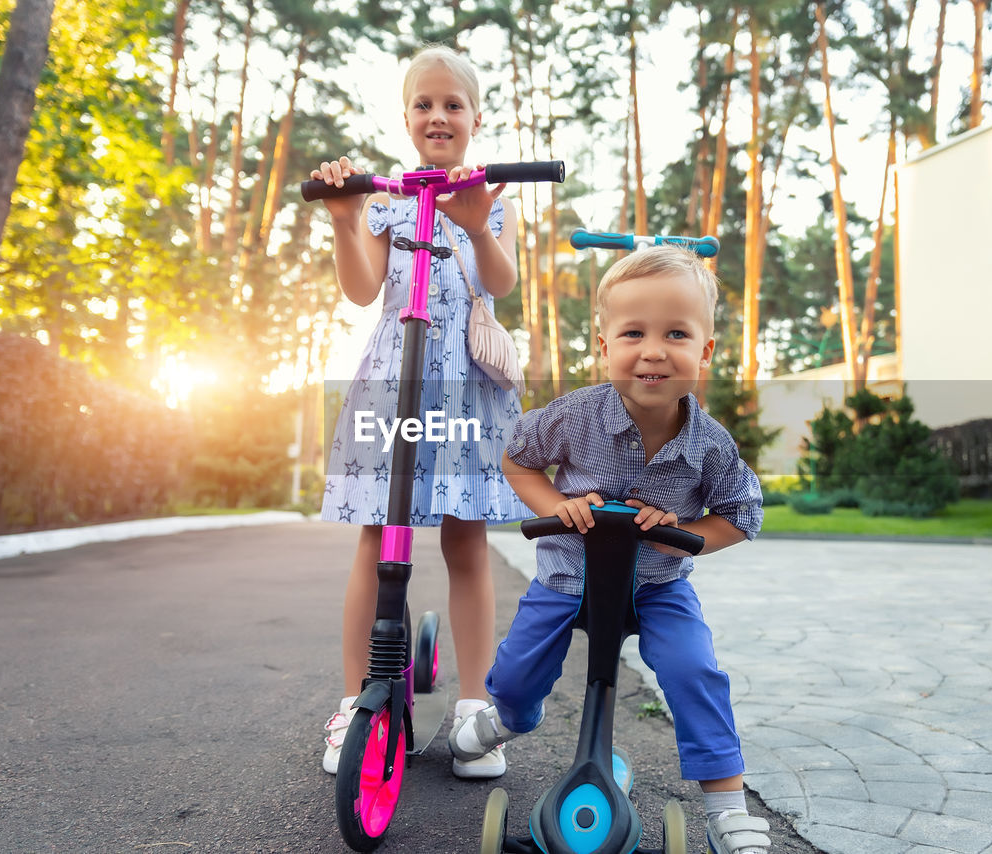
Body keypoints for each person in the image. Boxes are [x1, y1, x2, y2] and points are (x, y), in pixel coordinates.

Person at [449, 246, 773, 853]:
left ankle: (728, 808)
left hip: (657, 586)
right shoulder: (574, 417)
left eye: (676, 333)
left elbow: (742, 515)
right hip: (567, 579)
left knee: (693, 669)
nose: (653, 350)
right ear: (603, 347)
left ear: (704, 352)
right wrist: (556, 507)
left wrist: (683, 530)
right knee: (517, 679)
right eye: (633, 333)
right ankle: (503, 720)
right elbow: (519, 462)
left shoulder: (710, 445)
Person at [309, 44, 526, 780]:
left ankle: (473, 709)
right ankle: (354, 703)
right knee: (378, 539)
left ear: (474, 117)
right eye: (424, 104)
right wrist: (345, 220)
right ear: (405, 118)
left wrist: (473, 221)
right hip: (392, 387)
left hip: (465, 390)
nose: (439, 115)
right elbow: (363, 290)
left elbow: (501, 279)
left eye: (452, 104)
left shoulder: (490, 196)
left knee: (467, 543)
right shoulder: (385, 200)